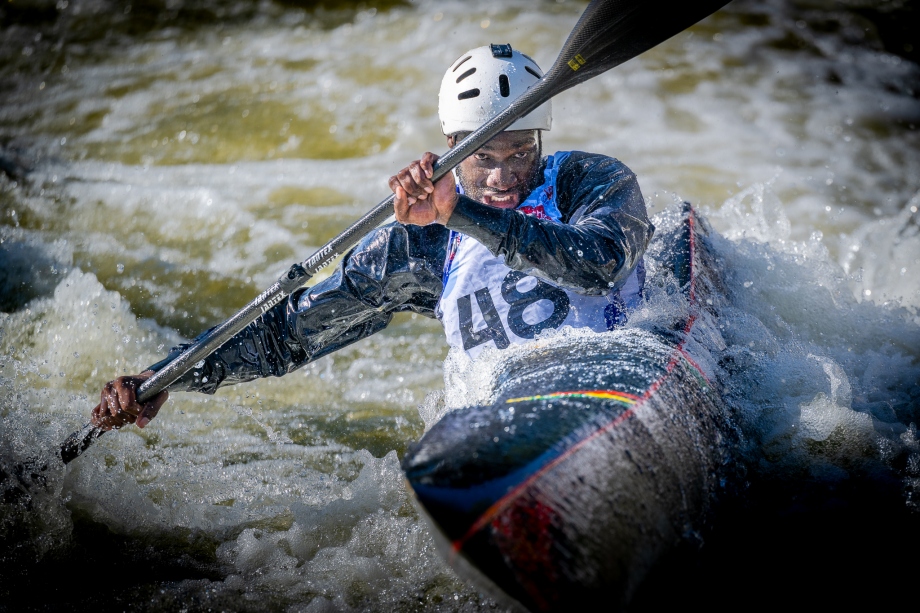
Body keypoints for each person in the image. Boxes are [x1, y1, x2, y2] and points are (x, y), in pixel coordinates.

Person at [91, 44, 654, 431]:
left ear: (540, 137)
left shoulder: (590, 181)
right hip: (514, 416)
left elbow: (600, 263)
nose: (503, 177)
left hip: (624, 380)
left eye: (521, 154)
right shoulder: (420, 246)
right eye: (483, 158)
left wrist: (459, 212)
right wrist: (169, 375)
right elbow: (289, 334)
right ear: (455, 144)